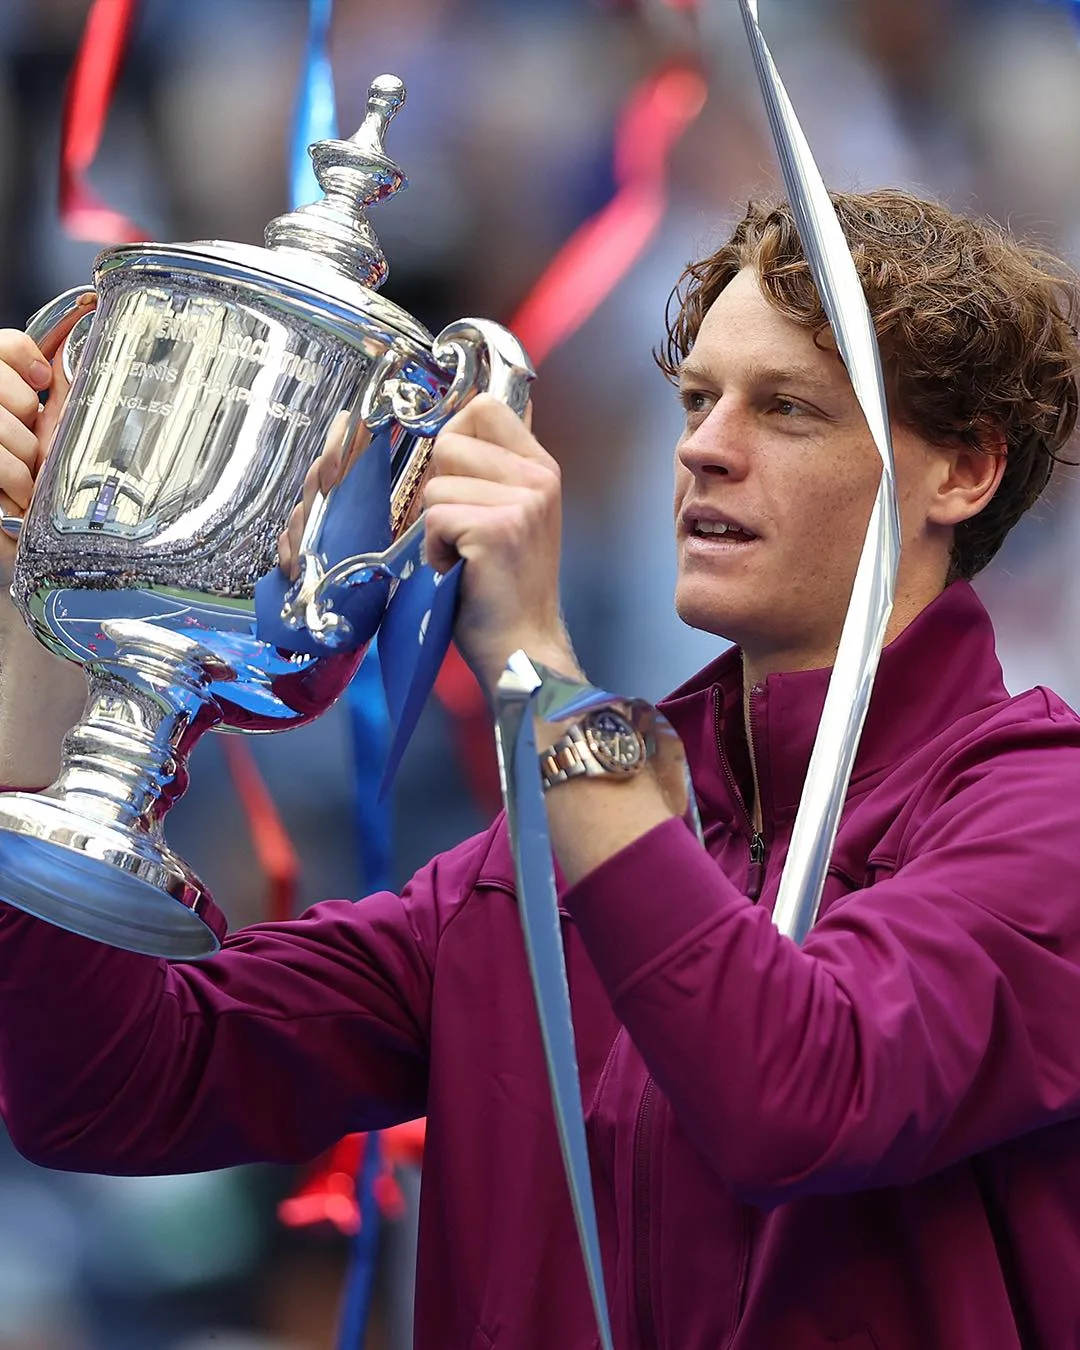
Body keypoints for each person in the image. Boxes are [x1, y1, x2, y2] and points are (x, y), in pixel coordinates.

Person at [1, 187, 1079, 1350]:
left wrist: (533, 664)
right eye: (700, 400)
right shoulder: (532, 870)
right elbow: (111, 1090)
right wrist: (41, 587)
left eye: (788, 410)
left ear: (964, 473)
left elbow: (796, 1096)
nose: (705, 449)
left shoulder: (1042, 818)